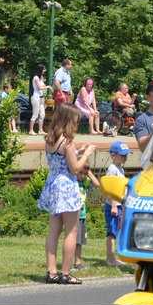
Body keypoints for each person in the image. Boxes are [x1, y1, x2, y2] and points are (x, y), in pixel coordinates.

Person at [38, 104, 96, 285]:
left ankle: (51, 271)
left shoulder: (50, 139)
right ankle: (65, 273)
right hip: (66, 188)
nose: (78, 124)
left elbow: (61, 158)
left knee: (53, 231)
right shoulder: (68, 141)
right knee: (72, 230)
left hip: (53, 185)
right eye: (77, 121)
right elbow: (75, 168)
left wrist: (77, 152)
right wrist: (86, 154)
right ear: (70, 120)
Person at [104, 141, 130, 266]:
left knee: (117, 231)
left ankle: (113, 257)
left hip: (120, 205)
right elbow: (111, 189)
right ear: (113, 155)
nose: (125, 157)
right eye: (122, 155)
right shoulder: (112, 169)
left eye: (126, 155)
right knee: (112, 232)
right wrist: (114, 205)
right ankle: (110, 258)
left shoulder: (120, 169)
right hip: (113, 205)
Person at [72, 162, 101, 270]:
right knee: (72, 240)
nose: (82, 175)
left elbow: (97, 184)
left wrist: (88, 172)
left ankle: (78, 262)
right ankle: (69, 261)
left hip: (82, 215)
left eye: (85, 173)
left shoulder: (84, 182)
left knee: (79, 241)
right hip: (73, 216)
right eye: (80, 172)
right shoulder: (73, 181)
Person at [29, 65, 48, 135]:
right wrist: (48, 87)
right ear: (40, 70)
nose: (45, 70)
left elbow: (42, 88)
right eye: (44, 69)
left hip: (40, 97)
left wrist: (43, 97)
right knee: (35, 114)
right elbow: (40, 87)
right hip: (35, 97)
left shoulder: (41, 78)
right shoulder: (36, 78)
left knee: (42, 114)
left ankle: (40, 130)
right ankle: (31, 130)